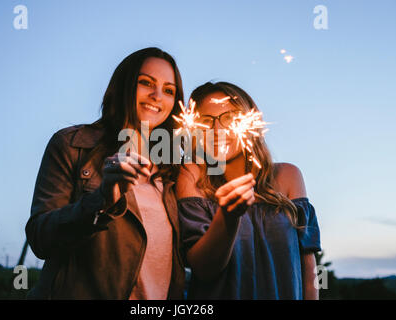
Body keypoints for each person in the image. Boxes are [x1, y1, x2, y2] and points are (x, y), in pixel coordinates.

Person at [26, 47, 185, 299]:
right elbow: (40, 237)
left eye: (168, 90)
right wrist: (102, 200)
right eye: (146, 83)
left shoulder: (173, 169)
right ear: (123, 85)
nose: (157, 96)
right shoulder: (72, 145)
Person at [176, 81, 321, 299]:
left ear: (249, 121)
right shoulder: (192, 177)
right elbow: (204, 269)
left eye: (229, 118)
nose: (217, 130)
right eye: (206, 121)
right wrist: (227, 218)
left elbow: (309, 271)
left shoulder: (288, 176)